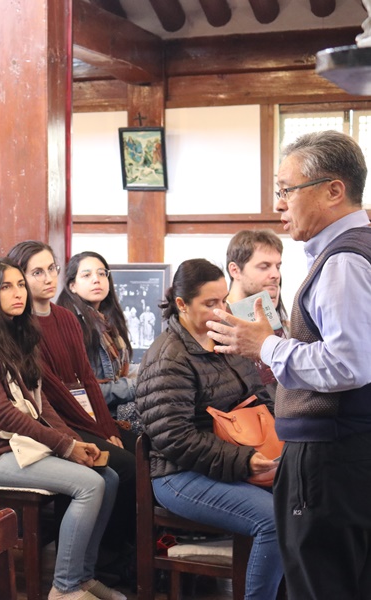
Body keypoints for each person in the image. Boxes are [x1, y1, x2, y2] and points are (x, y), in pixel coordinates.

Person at [207, 130, 371, 599]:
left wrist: (267, 346)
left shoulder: (344, 262)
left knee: (322, 585)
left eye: (286, 189)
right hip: (346, 450)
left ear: (333, 190)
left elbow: (349, 364)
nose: (278, 204)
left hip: (332, 456)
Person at [0, 257, 123, 600]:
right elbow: (1, 415)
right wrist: (64, 447)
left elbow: (41, 407)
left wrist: (73, 441)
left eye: (20, 286)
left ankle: (84, 577)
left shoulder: (15, 336)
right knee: (89, 485)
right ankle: (65, 587)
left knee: (109, 476)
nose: (18, 293)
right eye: (6, 286)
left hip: (16, 447)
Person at [136, 259, 282, 600]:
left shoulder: (225, 338)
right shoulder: (168, 357)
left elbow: (260, 398)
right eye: (210, 303)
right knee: (273, 521)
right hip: (179, 474)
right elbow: (175, 437)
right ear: (182, 304)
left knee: (310, 498)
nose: (221, 310)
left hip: (233, 456)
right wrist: (244, 460)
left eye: (223, 301)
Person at [8, 241, 136, 577]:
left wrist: (108, 427)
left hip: (83, 417)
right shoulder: (20, 326)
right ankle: (107, 558)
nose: (49, 278)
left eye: (51, 268)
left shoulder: (65, 317)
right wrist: (98, 432)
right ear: (20, 277)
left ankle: (123, 550)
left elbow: (88, 381)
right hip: (52, 423)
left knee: (139, 448)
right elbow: (54, 392)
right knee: (123, 465)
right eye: (37, 272)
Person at [56, 252, 138, 427]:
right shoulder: (72, 325)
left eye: (102, 273)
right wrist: (137, 385)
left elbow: (117, 371)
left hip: (113, 409)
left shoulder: (105, 321)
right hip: (91, 418)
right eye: (86, 275)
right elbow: (84, 390)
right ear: (72, 286)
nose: (96, 279)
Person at [225, 229, 288, 396]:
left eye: (278, 266)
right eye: (264, 266)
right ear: (235, 270)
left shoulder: (285, 324)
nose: (275, 275)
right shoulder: (217, 325)